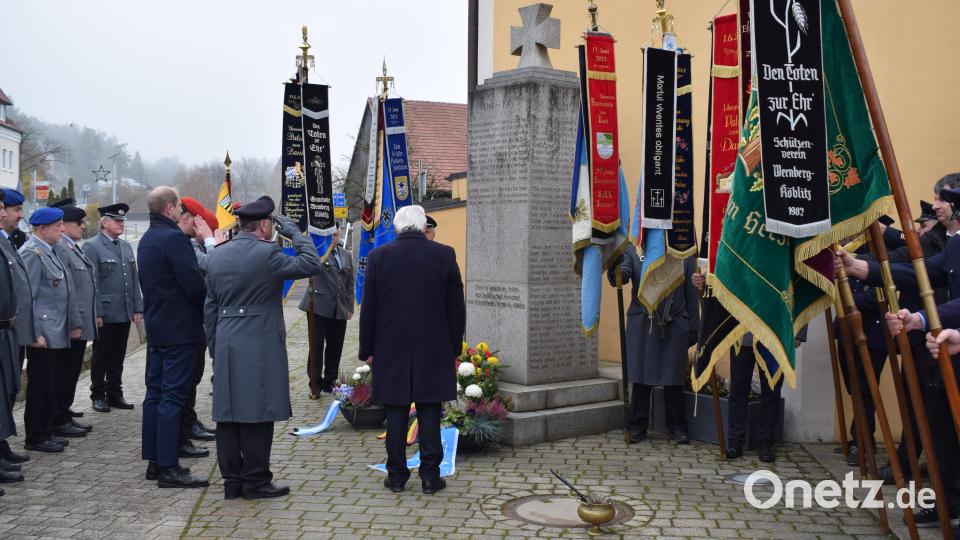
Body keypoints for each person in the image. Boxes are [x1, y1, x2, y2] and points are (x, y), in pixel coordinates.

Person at [204, 196, 321, 499]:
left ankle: (232, 482)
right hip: (259, 340)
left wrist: (216, 348)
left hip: (227, 338)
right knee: (257, 410)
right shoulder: (269, 254)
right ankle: (255, 481)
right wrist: (295, 233)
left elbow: (210, 308)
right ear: (265, 225)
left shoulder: (216, 256)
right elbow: (311, 264)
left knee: (228, 414)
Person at [360, 205, 465, 495]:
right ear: (423, 227)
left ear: (396, 227)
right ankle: (430, 477)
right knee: (430, 411)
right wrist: (454, 346)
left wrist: (367, 349)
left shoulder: (379, 257)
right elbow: (456, 308)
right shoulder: (444, 254)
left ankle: (396, 476)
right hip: (433, 347)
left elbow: (369, 308)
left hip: (390, 347)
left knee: (394, 412)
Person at [138, 187, 209, 488]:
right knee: (172, 397)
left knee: (155, 395)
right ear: (169, 208)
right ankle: (169, 467)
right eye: (179, 206)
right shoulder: (174, 239)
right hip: (180, 330)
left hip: (157, 328)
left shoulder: (146, 240)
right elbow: (194, 286)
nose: (182, 211)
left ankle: (155, 460)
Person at [609, 246, 699, 444]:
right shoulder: (635, 247)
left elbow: (691, 293)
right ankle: (637, 425)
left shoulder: (683, 248)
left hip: (674, 320)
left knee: (673, 377)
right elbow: (623, 273)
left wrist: (694, 326)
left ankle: (676, 425)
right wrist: (615, 268)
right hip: (643, 319)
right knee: (641, 377)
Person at [20, 207, 78, 453]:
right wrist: (34, 333)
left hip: (55, 331)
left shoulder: (48, 251)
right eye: (57, 227)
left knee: (50, 384)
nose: (61, 230)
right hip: (43, 333)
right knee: (41, 386)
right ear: (42, 229)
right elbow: (28, 297)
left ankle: (45, 430)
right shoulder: (32, 253)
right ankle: (36, 435)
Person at [83, 202, 143, 412]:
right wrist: (97, 312)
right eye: (117, 221)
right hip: (106, 313)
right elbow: (92, 283)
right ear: (104, 222)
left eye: (122, 221)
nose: (121, 224)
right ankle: (98, 394)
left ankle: (115, 393)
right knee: (101, 356)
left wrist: (137, 307)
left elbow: (133, 280)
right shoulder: (92, 246)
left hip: (124, 311)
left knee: (118, 356)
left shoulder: (125, 246)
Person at [175, 197, 218, 456]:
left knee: (193, 377)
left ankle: (190, 423)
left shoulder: (190, 244)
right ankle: (186, 428)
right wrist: (210, 242)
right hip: (188, 322)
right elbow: (212, 267)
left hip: (195, 320)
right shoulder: (186, 245)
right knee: (186, 380)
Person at [50, 199, 95, 439]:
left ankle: (63, 413)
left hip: (79, 321)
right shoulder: (60, 248)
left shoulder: (71, 246)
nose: (83, 226)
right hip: (71, 323)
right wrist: (73, 322)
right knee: (64, 372)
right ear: (64, 225)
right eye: (78, 222)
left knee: (70, 371)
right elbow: (66, 290)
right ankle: (59, 418)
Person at [299, 224, 354, 397]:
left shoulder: (345, 255)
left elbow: (350, 283)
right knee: (316, 346)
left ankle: (330, 381)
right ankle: (314, 383)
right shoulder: (317, 252)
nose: (334, 238)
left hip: (339, 308)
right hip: (318, 306)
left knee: (335, 346)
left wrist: (350, 307)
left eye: (336, 235)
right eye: (330, 236)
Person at [0, 188, 31, 465]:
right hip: (2, 329)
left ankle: (2, 444)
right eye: (16, 210)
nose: (19, 216)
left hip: (10, 328)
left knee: (9, 389)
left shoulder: (8, 240)